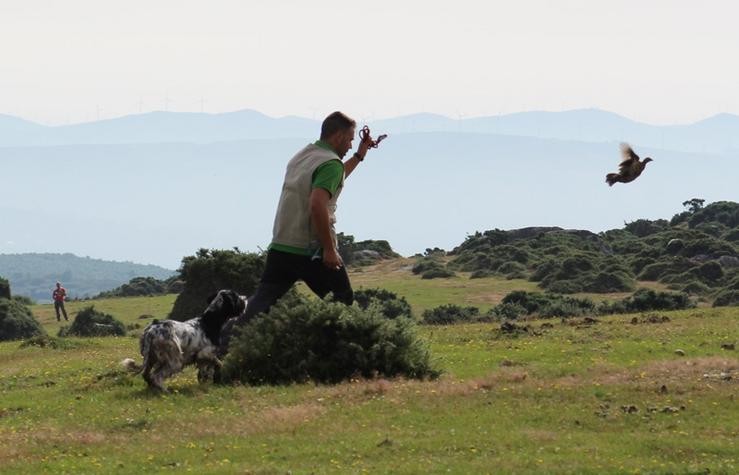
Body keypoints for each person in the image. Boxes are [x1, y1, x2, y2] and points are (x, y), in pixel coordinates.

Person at [219, 111, 376, 353]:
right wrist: (329, 249)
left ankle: (220, 346)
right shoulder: (330, 163)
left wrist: (359, 155)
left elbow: (333, 178)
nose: (350, 144)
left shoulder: (305, 155)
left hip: (282, 244)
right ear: (337, 136)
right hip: (310, 249)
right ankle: (340, 356)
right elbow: (317, 204)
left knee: (260, 303)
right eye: (350, 140)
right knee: (342, 302)